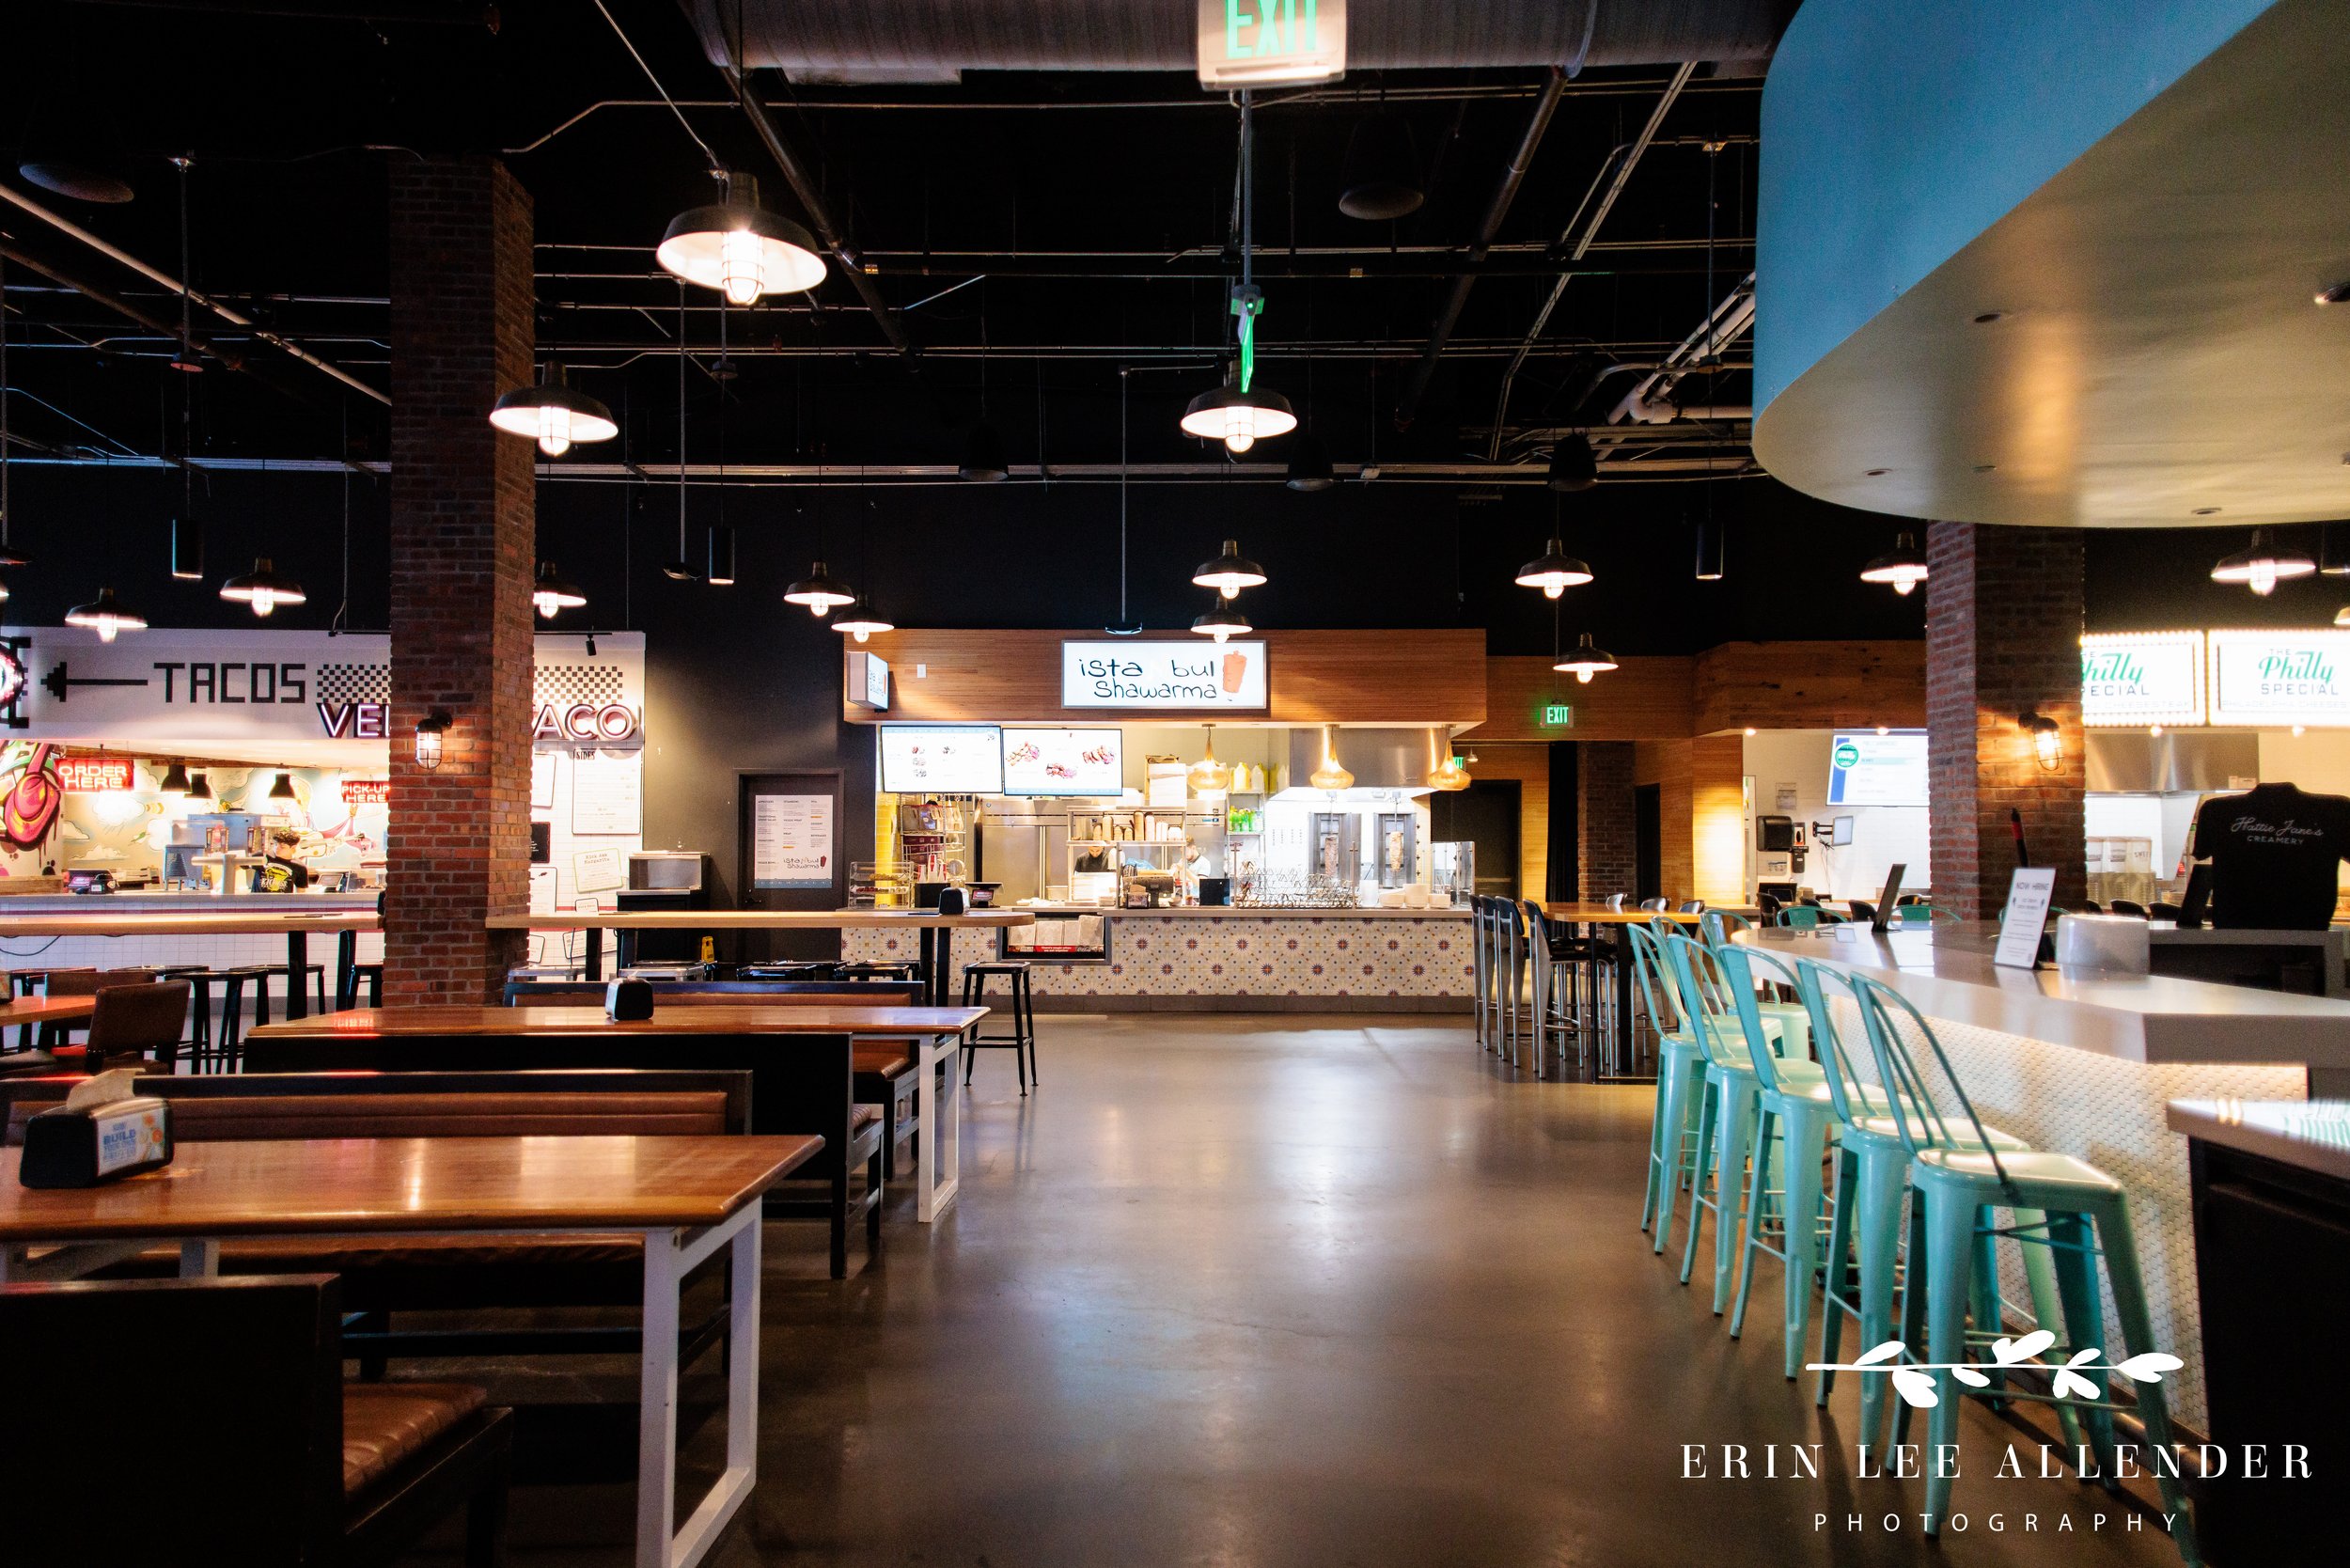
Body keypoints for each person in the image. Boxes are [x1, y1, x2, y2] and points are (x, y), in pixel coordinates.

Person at [2186, 781, 2350, 930]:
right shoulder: (2337, 809)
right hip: (2310, 923)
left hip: (2235, 923)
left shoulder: (2216, 810)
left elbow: (2201, 853)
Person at [257, 827, 311, 893]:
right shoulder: (263, 857)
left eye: (282, 847)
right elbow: (241, 865)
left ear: (293, 848)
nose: (277, 849)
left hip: (283, 902)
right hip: (257, 902)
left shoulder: (300, 867)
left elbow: (301, 893)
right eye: (276, 844)